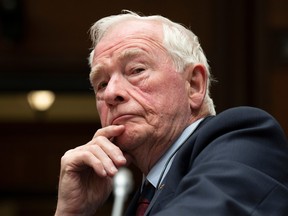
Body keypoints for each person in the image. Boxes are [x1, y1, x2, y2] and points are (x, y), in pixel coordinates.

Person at [54, 10, 288, 216]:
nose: (111, 93)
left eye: (136, 70)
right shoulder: (140, 197)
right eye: (102, 84)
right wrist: (71, 213)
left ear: (194, 85)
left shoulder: (245, 138)